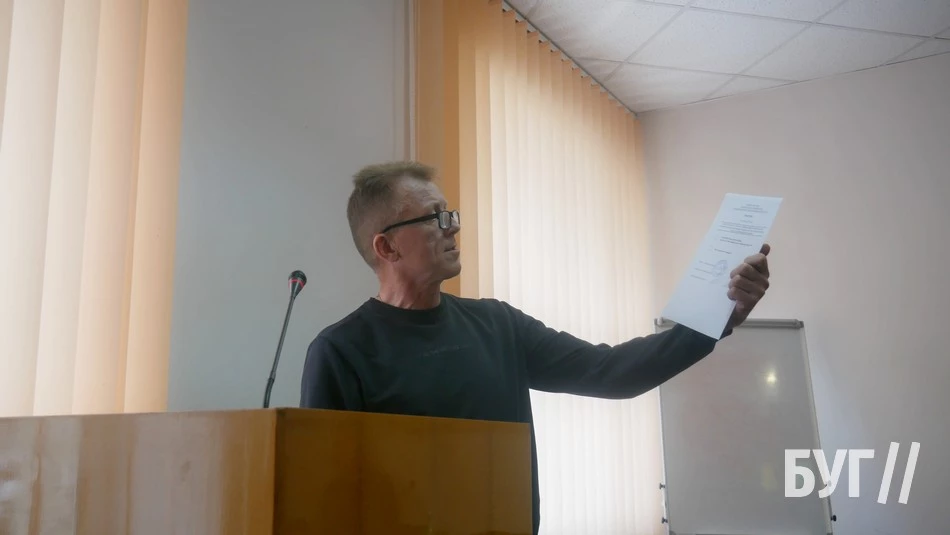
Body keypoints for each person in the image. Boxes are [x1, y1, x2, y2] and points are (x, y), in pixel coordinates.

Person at [300, 161, 771, 534]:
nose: (452, 228)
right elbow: (327, 500)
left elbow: (611, 371)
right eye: (435, 218)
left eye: (452, 215)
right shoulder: (341, 352)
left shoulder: (497, 324)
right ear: (386, 248)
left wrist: (719, 319)